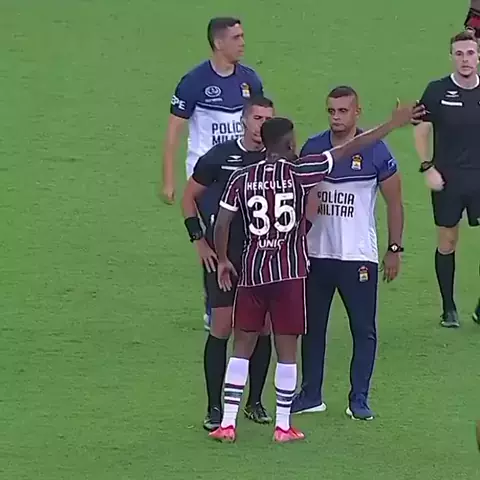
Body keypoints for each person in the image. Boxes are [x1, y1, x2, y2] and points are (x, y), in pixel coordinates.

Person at [209, 101, 425, 443]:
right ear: (290, 144)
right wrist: (391, 123)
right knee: (287, 350)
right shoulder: (301, 171)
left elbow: (222, 223)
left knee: (241, 347)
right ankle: (283, 426)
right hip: (290, 274)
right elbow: (351, 147)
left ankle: (228, 423)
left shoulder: (242, 177)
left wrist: (223, 260)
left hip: (252, 274)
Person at [291, 86, 404, 421]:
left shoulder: (376, 150)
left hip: (358, 258)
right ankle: (311, 394)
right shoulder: (314, 148)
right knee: (312, 328)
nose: (336, 118)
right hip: (317, 255)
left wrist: (394, 248)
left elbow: (395, 203)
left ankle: (359, 399)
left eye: (343, 111)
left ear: (357, 112)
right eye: (331, 111)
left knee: (363, 330)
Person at [161, 16, 264, 330]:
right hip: (209, 177)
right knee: (216, 234)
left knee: (248, 234)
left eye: (243, 36)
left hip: (244, 172)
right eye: (236, 38)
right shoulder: (194, 82)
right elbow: (174, 132)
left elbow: (263, 122)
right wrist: (169, 180)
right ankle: (215, 306)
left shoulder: (250, 80)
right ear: (219, 43)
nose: (242, 43)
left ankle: (247, 299)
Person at [181, 96, 275, 431]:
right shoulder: (220, 156)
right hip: (224, 257)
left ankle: (255, 402)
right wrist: (199, 241)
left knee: (263, 328)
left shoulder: (277, 160)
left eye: (268, 119)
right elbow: (188, 197)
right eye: (257, 118)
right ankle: (214, 407)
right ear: (244, 120)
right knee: (221, 328)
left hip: (262, 257)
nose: (262, 125)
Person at [414, 30, 480, 328]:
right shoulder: (436, 91)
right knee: (448, 240)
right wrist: (427, 166)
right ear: (451, 57)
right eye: (459, 54)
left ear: (478, 56)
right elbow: (421, 130)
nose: (465, 59)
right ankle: (449, 308)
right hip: (448, 180)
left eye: (470, 53)